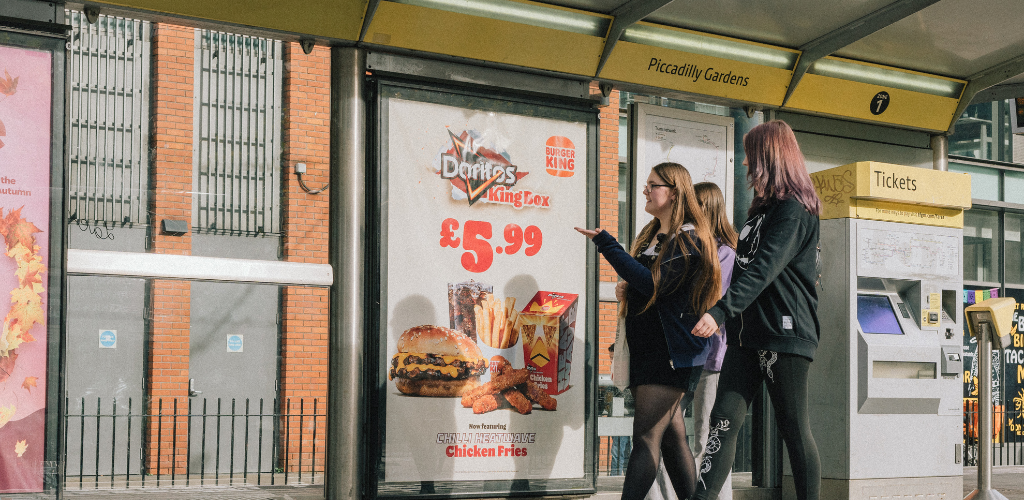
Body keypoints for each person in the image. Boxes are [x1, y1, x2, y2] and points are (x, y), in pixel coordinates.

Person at [690, 120, 822, 500]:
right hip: (748, 336)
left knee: (793, 427)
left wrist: (719, 312)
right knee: (723, 421)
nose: (746, 165)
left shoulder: (794, 210)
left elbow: (763, 270)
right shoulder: (762, 211)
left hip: (785, 333)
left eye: (750, 157)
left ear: (769, 157)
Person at [576, 162, 721, 500]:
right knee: (670, 439)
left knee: (644, 437)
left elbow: (655, 283)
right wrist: (628, 289)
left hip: (671, 355)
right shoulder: (654, 236)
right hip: (651, 350)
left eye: (652, 185)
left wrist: (606, 243)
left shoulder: (689, 239)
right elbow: (650, 288)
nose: (645, 190)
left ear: (673, 193)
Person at [648, 182, 737, 500]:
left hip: (711, 358)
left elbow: (713, 296)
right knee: (661, 430)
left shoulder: (726, 252)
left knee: (707, 436)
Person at [606, 343, 633, 476]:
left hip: (625, 416)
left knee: (623, 450)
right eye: (610, 358)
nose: (611, 361)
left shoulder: (626, 372)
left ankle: (620, 476)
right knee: (619, 450)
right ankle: (617, 476)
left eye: (613, 358)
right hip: (619, 417)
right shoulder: (614, 373)